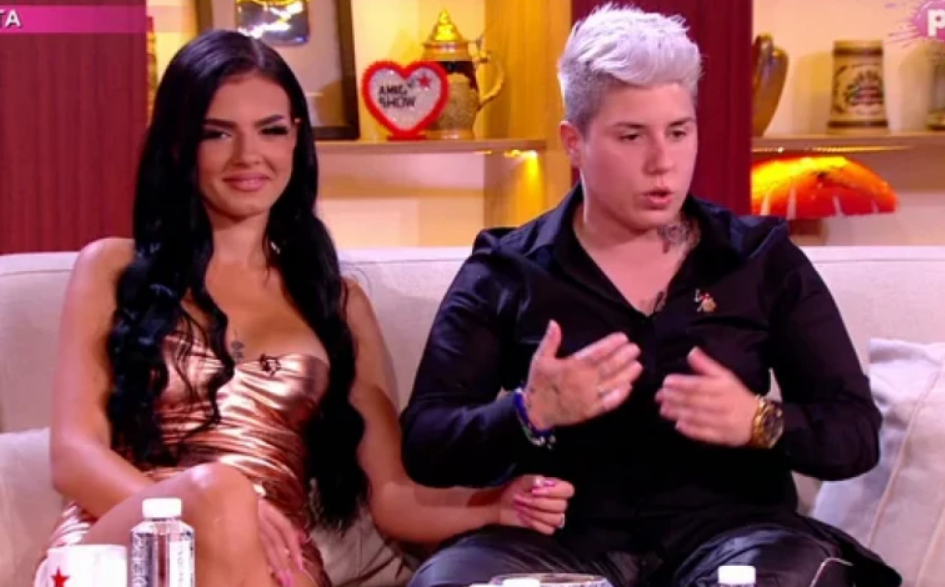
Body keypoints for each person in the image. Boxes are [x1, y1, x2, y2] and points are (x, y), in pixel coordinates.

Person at [36, 30, 575, 587]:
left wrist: (493, 504)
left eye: (271, 130)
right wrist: (215, 507)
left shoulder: (336, 303)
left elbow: (392, 495)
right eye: (217, 133)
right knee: (219, 492)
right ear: (178, 145)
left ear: (296, 138)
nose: (249, 156)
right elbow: (73, 455)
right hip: (120, 549)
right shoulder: (112, 269)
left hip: (272, 564)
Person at [399, 4, 902, 587]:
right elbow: (425, 442)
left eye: (679, 132)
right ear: (574, 142)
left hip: (737, 539)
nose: (663, 162)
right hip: (559, 544)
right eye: (632, 136)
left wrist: (760, 421)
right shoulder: (508, 270)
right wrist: (528, 413)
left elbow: (855, 433)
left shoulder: (759, 260)